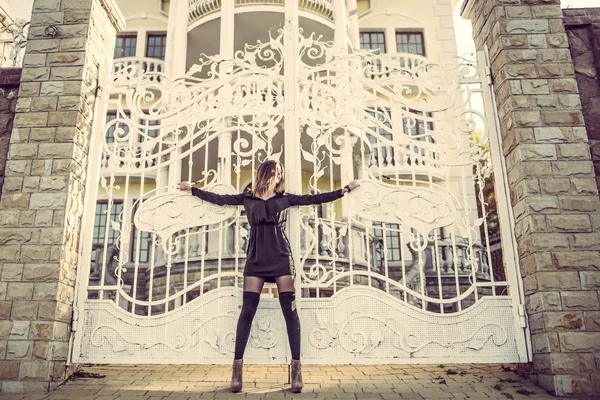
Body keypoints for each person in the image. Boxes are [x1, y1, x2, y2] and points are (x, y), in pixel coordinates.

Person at [177, 160, 359, 393]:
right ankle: (236, 372)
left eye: (281, 172)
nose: (279, 175)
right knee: (247, 311)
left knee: (289, 311)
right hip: (255, 258)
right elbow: (219, 199)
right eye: (276, 171)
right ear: (266, 173)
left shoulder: (285, 198)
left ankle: (296, 371)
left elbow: (315, 199)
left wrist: (345, 190)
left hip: (281, 257)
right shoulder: (248, 198)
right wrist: (192, 189)